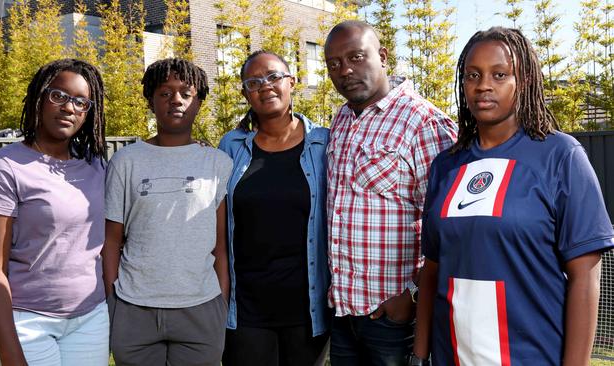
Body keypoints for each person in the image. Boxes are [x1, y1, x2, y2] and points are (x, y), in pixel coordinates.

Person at [412, 27, 614, 366]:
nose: (483, 85)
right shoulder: (445, 166)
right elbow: (432, 270)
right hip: (453, 357)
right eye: (472, 75)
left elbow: (586, 275)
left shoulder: (560, 156)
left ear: (525, 81)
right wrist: (419, 356)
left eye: (499, 74)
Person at [323, 20, 458, 366]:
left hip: (394, 318)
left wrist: (412, 295)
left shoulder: (424, 123)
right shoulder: (341, 119)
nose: (345, 70)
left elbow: (449, 230)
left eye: (356, 57)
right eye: (334, 63)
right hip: (341, 313)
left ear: (382, 57)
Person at [0, 59, 108, 366]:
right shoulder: (5, 168)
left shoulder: (97, 165)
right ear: (39, 98)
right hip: (26, 321)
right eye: (58, 96)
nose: (69, 107)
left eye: (80, 102)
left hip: (89, 319)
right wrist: (11, 356)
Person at [103, 58, 232, 366]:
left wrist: (221, 303)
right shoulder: (125, 161)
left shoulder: (218, 163)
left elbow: (221, 246)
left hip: (201, 307)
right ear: (151, 100)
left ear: (199, 101)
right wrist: (114, 304)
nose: (176, 99)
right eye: (165, 92)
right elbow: (110, 242)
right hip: (134, 308)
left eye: (186, 92)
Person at [218, 50, 330, 366]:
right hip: (247, 307)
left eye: (273, 76)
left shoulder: (323, 143)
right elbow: (219, 229)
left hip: (307, 307)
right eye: (253, 81)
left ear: (291, 82)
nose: (265, 86)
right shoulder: (230, 147)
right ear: (244, 93)